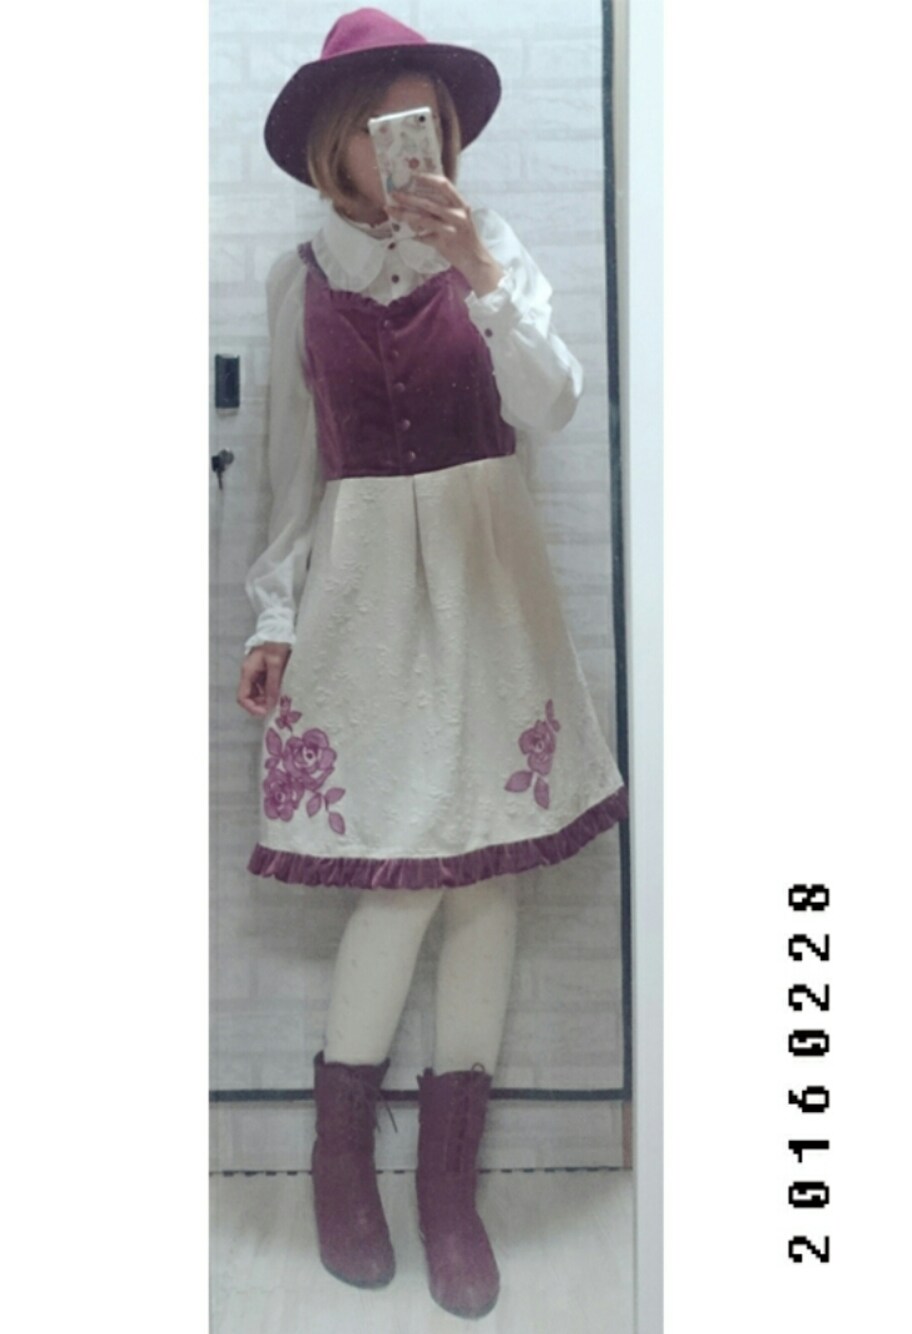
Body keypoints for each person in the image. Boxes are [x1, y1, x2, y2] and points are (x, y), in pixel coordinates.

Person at [236, 7, 628, 1320]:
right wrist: (271, 618)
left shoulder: (492, 249)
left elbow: (553, 404)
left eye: (430, 122)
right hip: (364, 602)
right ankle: (339, 1158)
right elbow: (290, 475)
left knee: (487, 880)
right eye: (387, 125)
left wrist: (481, 274)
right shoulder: (299, 279)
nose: (414, 144)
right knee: (398, 883)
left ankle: (449, 1189)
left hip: (489, 584)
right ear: (338, 145)